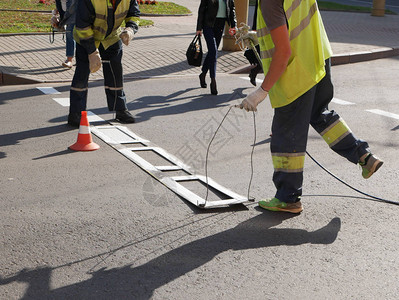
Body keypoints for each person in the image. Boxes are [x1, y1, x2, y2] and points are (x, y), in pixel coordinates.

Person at [238, 0, 383, 213]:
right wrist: (258, 35)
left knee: (285, 134)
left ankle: (288, 198)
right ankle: (364, 156)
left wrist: (262, 91)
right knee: (320, 115)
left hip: (296, 72)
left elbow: (284, 51)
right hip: (319, 60)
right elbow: (293, 24)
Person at [67, 0, 140, 127]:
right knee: (82, 75)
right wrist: (91, 52)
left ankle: (120, 109)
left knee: (115, 73)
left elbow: (133, 14)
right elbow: (82, 26)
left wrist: (130, 29)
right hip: (86, 38)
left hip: (111, 38)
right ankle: (75, 114)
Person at [196, 0, 237, 95]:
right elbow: (201, 9)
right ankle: (213, 80)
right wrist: (199, 28)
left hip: (220, 25)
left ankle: (203, 74)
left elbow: (231, 8)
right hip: (208, 24)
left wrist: (233, 25)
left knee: (212, 52)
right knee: (213, 51)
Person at [52, 0, 76, 68]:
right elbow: (61, 4)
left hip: (75, 15)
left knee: (69, 34)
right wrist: (56, 11)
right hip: (67, 15)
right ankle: (79, 59)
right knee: (74, 36)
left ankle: (69, 60)